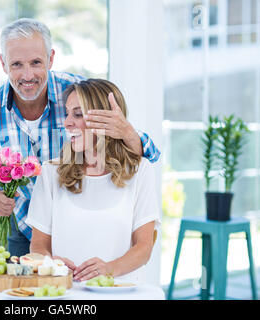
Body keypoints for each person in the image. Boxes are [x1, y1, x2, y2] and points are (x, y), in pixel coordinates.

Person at [0, 18, 160, 257]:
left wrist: (128, 134)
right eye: (17, 64)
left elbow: (134, 149)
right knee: (27, 291)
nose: (27, 74)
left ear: (51, 58)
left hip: (76, 222)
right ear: (3, 63)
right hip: (24, 226)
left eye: (36, 62)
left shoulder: (76, 93)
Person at [25, 79, 161, 282]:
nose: (67, 122)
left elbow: (144, 248)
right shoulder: (51, 172)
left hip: (120, 293)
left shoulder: (140, 171)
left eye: (78, 114)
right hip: (67, 293)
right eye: (68, 113)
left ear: (107, 120)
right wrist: (51, 264)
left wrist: (108, 269)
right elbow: (38, 245)